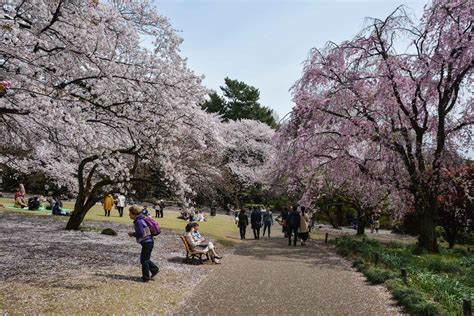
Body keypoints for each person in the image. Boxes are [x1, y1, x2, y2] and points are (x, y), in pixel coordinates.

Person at [128, 205, 159, 282]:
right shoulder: (142, 219)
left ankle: (146, 277)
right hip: (149, 241)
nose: (129, 215)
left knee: (144, 260)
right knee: (145, 259)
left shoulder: (138, 221)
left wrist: (132, 234)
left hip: (147, 242)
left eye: (130, 213)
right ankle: (154, 270)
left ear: (134, 213)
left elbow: (141, 233)